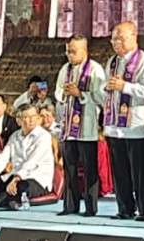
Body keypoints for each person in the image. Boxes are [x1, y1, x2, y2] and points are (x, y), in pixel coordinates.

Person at [103, 21, 144, 222]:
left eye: (120, 39)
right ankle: (124, 208)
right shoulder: (112, 62)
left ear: (133, 37)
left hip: (137, 126)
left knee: (139, 172)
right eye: (113, 40)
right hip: (115, 126)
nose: (116, 43)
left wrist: (125, 87)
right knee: (120, 172)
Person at [55, 34, 106, 216]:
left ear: (84, 50)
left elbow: (102, 96)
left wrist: (81, 94)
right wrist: (64, 93)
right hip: (68, 126)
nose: (70, 55)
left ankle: (91, 207)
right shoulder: (65, 69)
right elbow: (57, 92)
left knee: (89, 168)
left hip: (87, 127)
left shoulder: (95, 69)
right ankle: (70, 205)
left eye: (73, 51)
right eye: (68, 51)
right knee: (69, 168)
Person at [0, 104, 53, 209]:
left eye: (34, 116)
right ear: (19, 121)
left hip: (36, 179)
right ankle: (9, 200)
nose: (31, 120)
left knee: (22, 187)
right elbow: (2, 158)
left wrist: (17, 179)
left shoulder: (44, 136)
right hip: (13, 176)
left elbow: (32, 162)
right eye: (27, 117)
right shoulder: (15, 136)